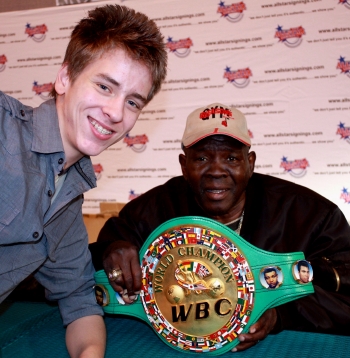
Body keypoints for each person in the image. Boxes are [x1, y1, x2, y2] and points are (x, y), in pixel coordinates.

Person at [93, 102, 350, 352]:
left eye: (230, 157)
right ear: (184, 166)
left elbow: (344, 296)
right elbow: (96, 259)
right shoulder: (150, 210)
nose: (216, 170)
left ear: (250, 163)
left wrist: (281, 314)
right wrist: (110, 250)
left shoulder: (311, 215)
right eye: (202, 158)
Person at [0, 4, 167, 357]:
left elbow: (79, 303)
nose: (116, 113)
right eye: (105, 86)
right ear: (64, 79)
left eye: (133, 102)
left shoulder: (68, 201)